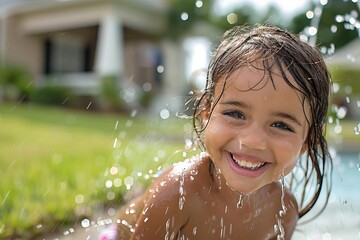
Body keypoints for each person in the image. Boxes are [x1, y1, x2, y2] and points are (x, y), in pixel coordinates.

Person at [105, 24, 333, 240]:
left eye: (281, 125)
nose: (252, 141)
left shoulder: (283, 212)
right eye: (235, 114)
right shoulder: (178, 192)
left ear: (308, 141)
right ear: (206, 112)